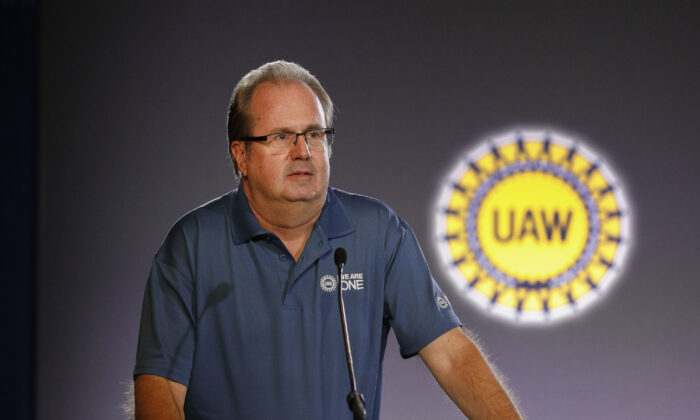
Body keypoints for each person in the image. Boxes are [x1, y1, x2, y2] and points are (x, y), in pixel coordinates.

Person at [133, 60, 522, 420]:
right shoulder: (192, 245)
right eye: (281, 136)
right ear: (242, 156)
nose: (302, 151)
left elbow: (452, 355)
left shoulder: (378, 232)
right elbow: (160, 384)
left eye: (314, 134)